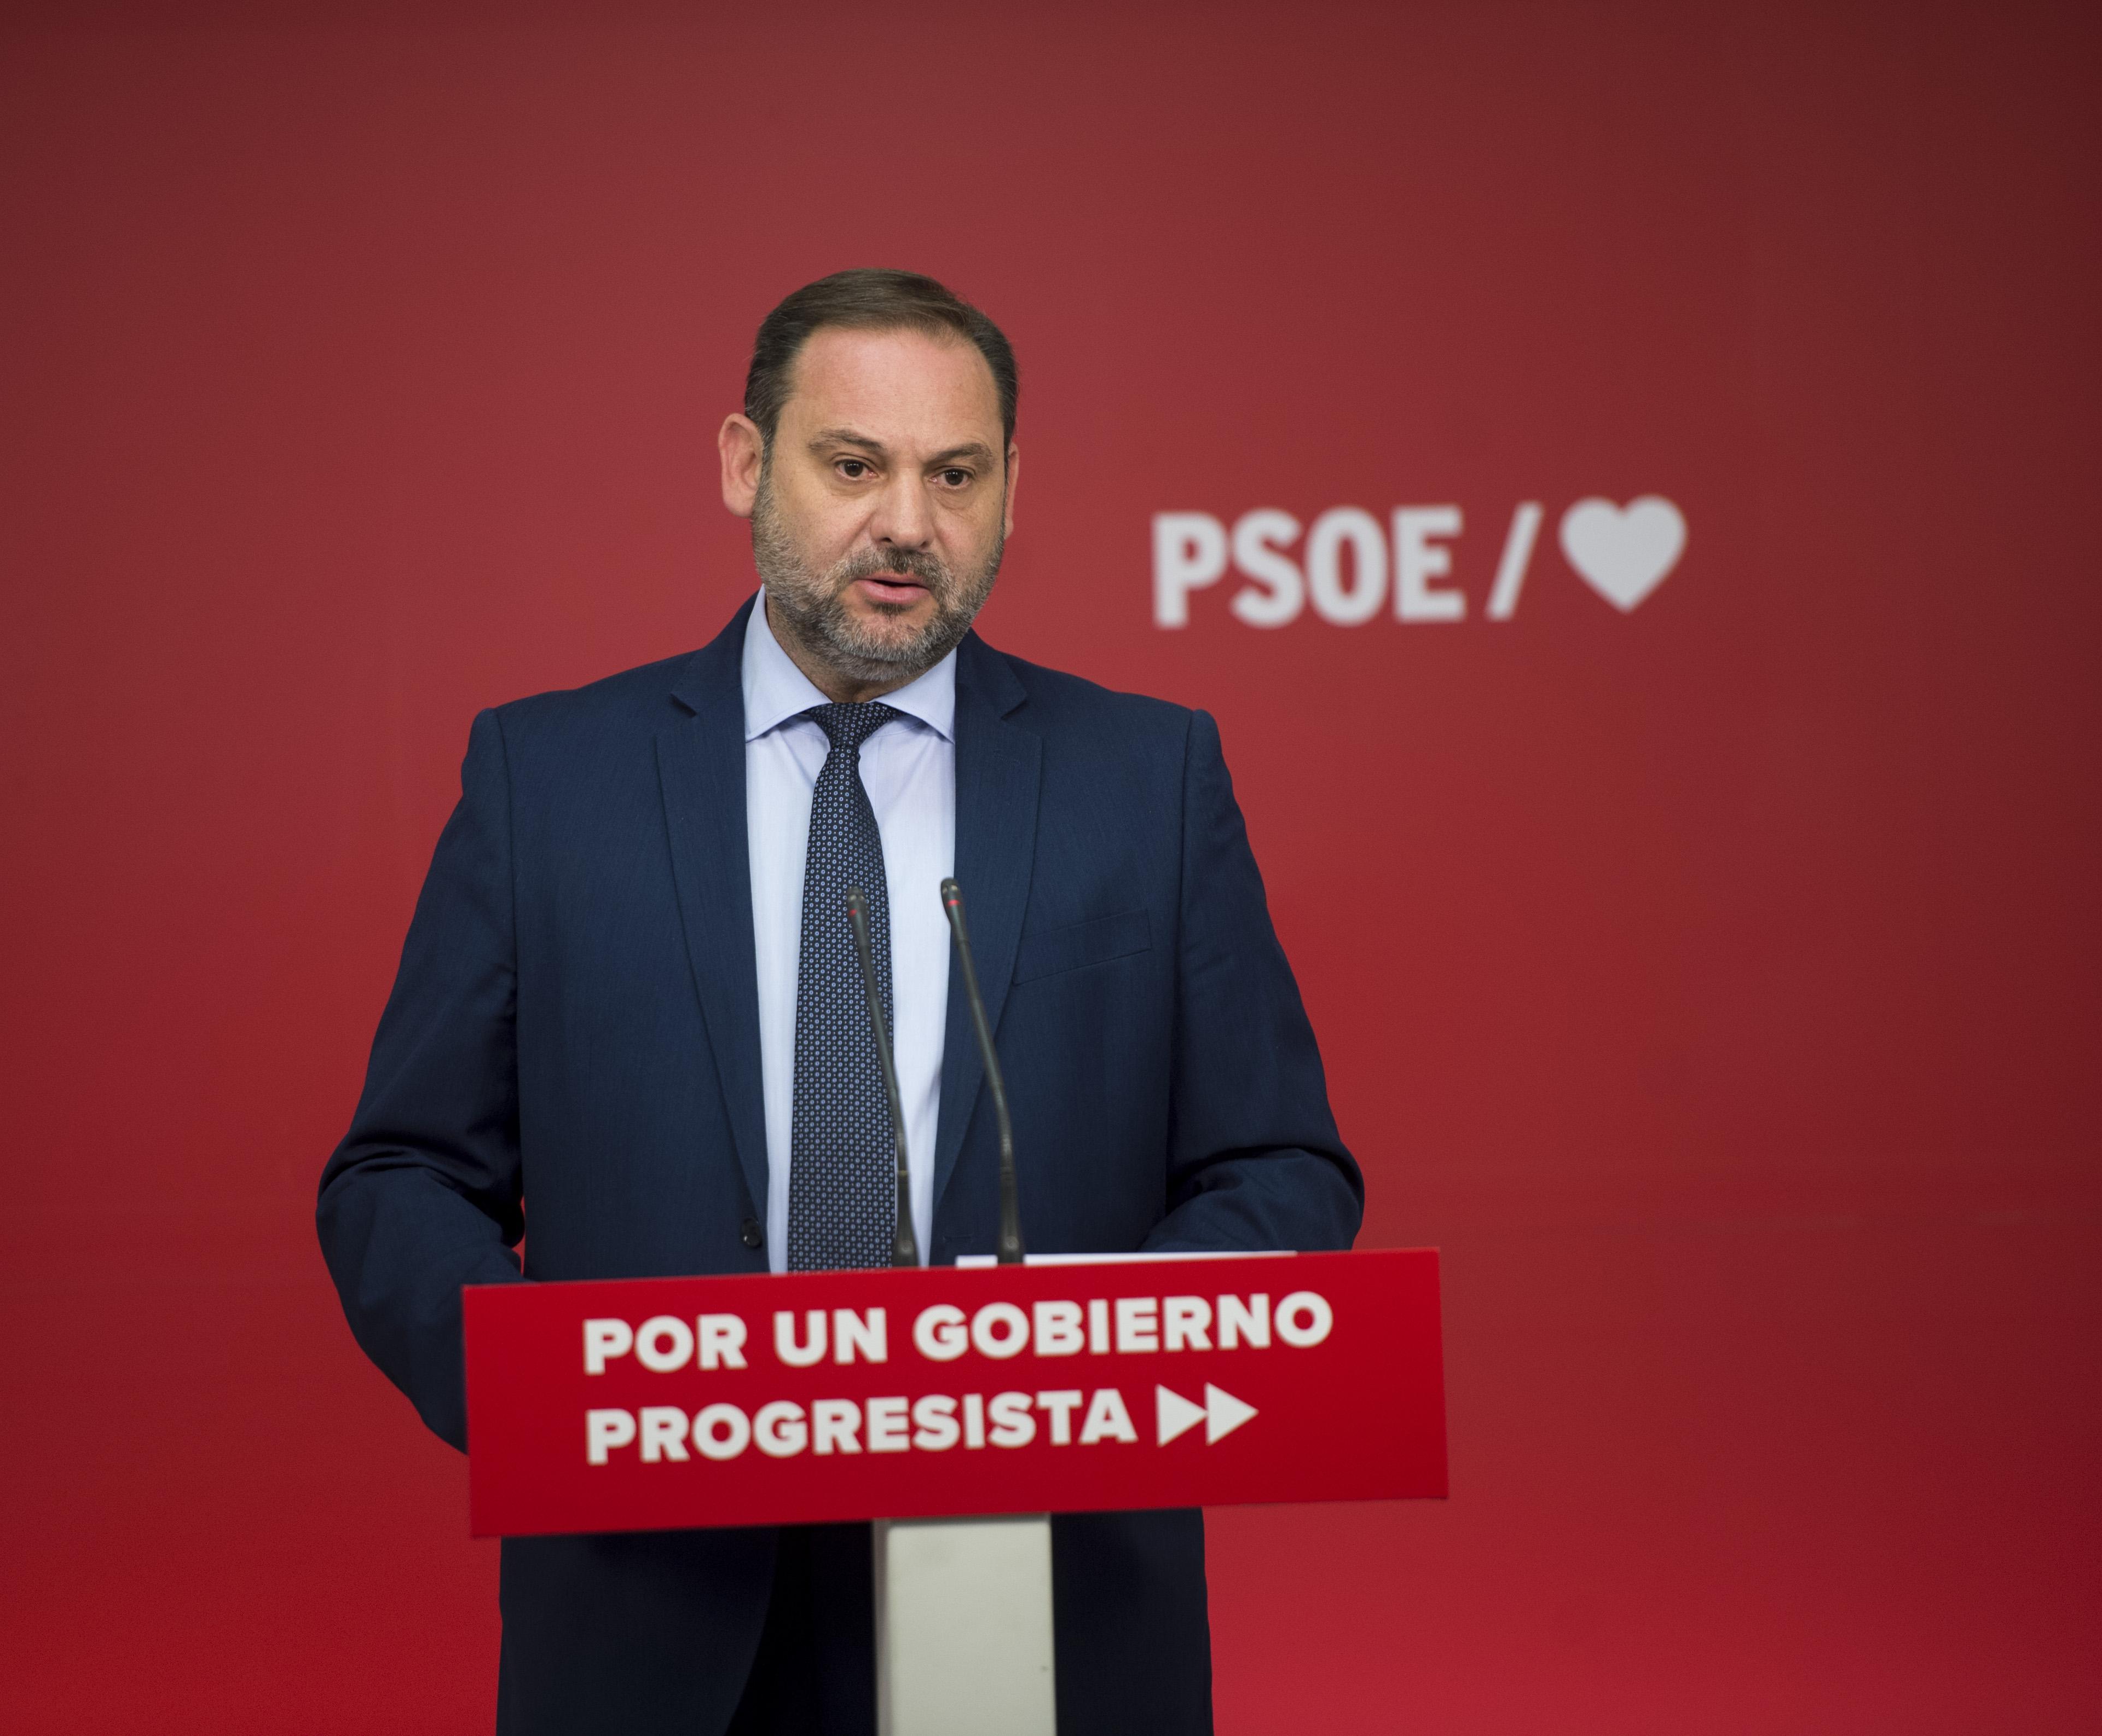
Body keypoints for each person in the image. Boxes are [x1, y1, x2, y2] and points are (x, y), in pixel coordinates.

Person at [317, 268, 1361, 1735]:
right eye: (854, 465)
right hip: (653, 1609)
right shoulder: (549, 782)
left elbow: (1282, 1171)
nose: (909, 523)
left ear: (1013, 489)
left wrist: (1072, 1365)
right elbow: (401, 1175)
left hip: (1037, 1596)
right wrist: (564, 1401)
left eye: (956, 474)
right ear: (748, 463)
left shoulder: (1150, 780)